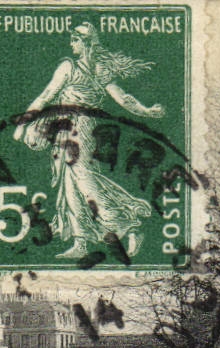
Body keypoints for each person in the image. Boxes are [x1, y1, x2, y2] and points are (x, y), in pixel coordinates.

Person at [13, 23, 166, 260]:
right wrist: (146, 111)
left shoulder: (75, 67)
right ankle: (81, 242)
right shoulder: (91, 67)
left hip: (80, 130)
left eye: (74, 40)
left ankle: (128, 225)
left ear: (85, 43)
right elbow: (122, 99)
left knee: (84, 180)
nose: (70, 44)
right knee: (70, 184)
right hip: (68, 130)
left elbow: (46, 96)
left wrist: (146, 111)